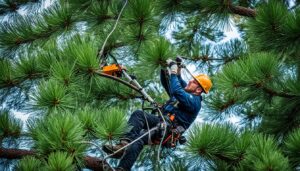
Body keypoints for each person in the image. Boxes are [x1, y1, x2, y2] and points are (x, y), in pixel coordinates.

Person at [102, 59, 212, 171]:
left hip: (168, 129)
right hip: (161, 121)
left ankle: (122, 167)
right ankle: (123, 146)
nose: (189, 82)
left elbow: (176, 89)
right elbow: (171, 81)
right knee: (138, 118)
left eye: (193, 82)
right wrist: (171, 67)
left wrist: (173, 71)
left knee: (139, 138)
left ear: (198, 90)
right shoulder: (187, 92)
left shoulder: (194, 102)